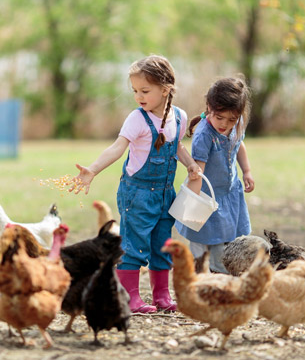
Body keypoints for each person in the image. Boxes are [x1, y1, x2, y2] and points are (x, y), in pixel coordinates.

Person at [69, 55, 201, 313]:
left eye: (145, 91)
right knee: (134, 245)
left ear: (165, 90)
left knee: (162, 244)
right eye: (135, 91)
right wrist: (93, 169)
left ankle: (161, 295)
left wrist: (191, 164)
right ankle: (130, 297)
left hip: (165, 194)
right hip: (137, 194)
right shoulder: (137, 119)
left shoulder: (179, 116)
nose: (138, 96)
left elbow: (177, 147)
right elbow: (118, 148)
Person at [176, 76, 255, 273]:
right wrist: (193, 205)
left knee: (227, 239)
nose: (225, 124)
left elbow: (239, 145)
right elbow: (198, 173)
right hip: (206, 196)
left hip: (229, 192)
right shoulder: (204, 135)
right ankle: (200, 278)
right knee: (201, 241)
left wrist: (246, 171)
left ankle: (222, 273)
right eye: (219, 118)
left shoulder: (237, 124)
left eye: (231, 119)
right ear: (209, 108)